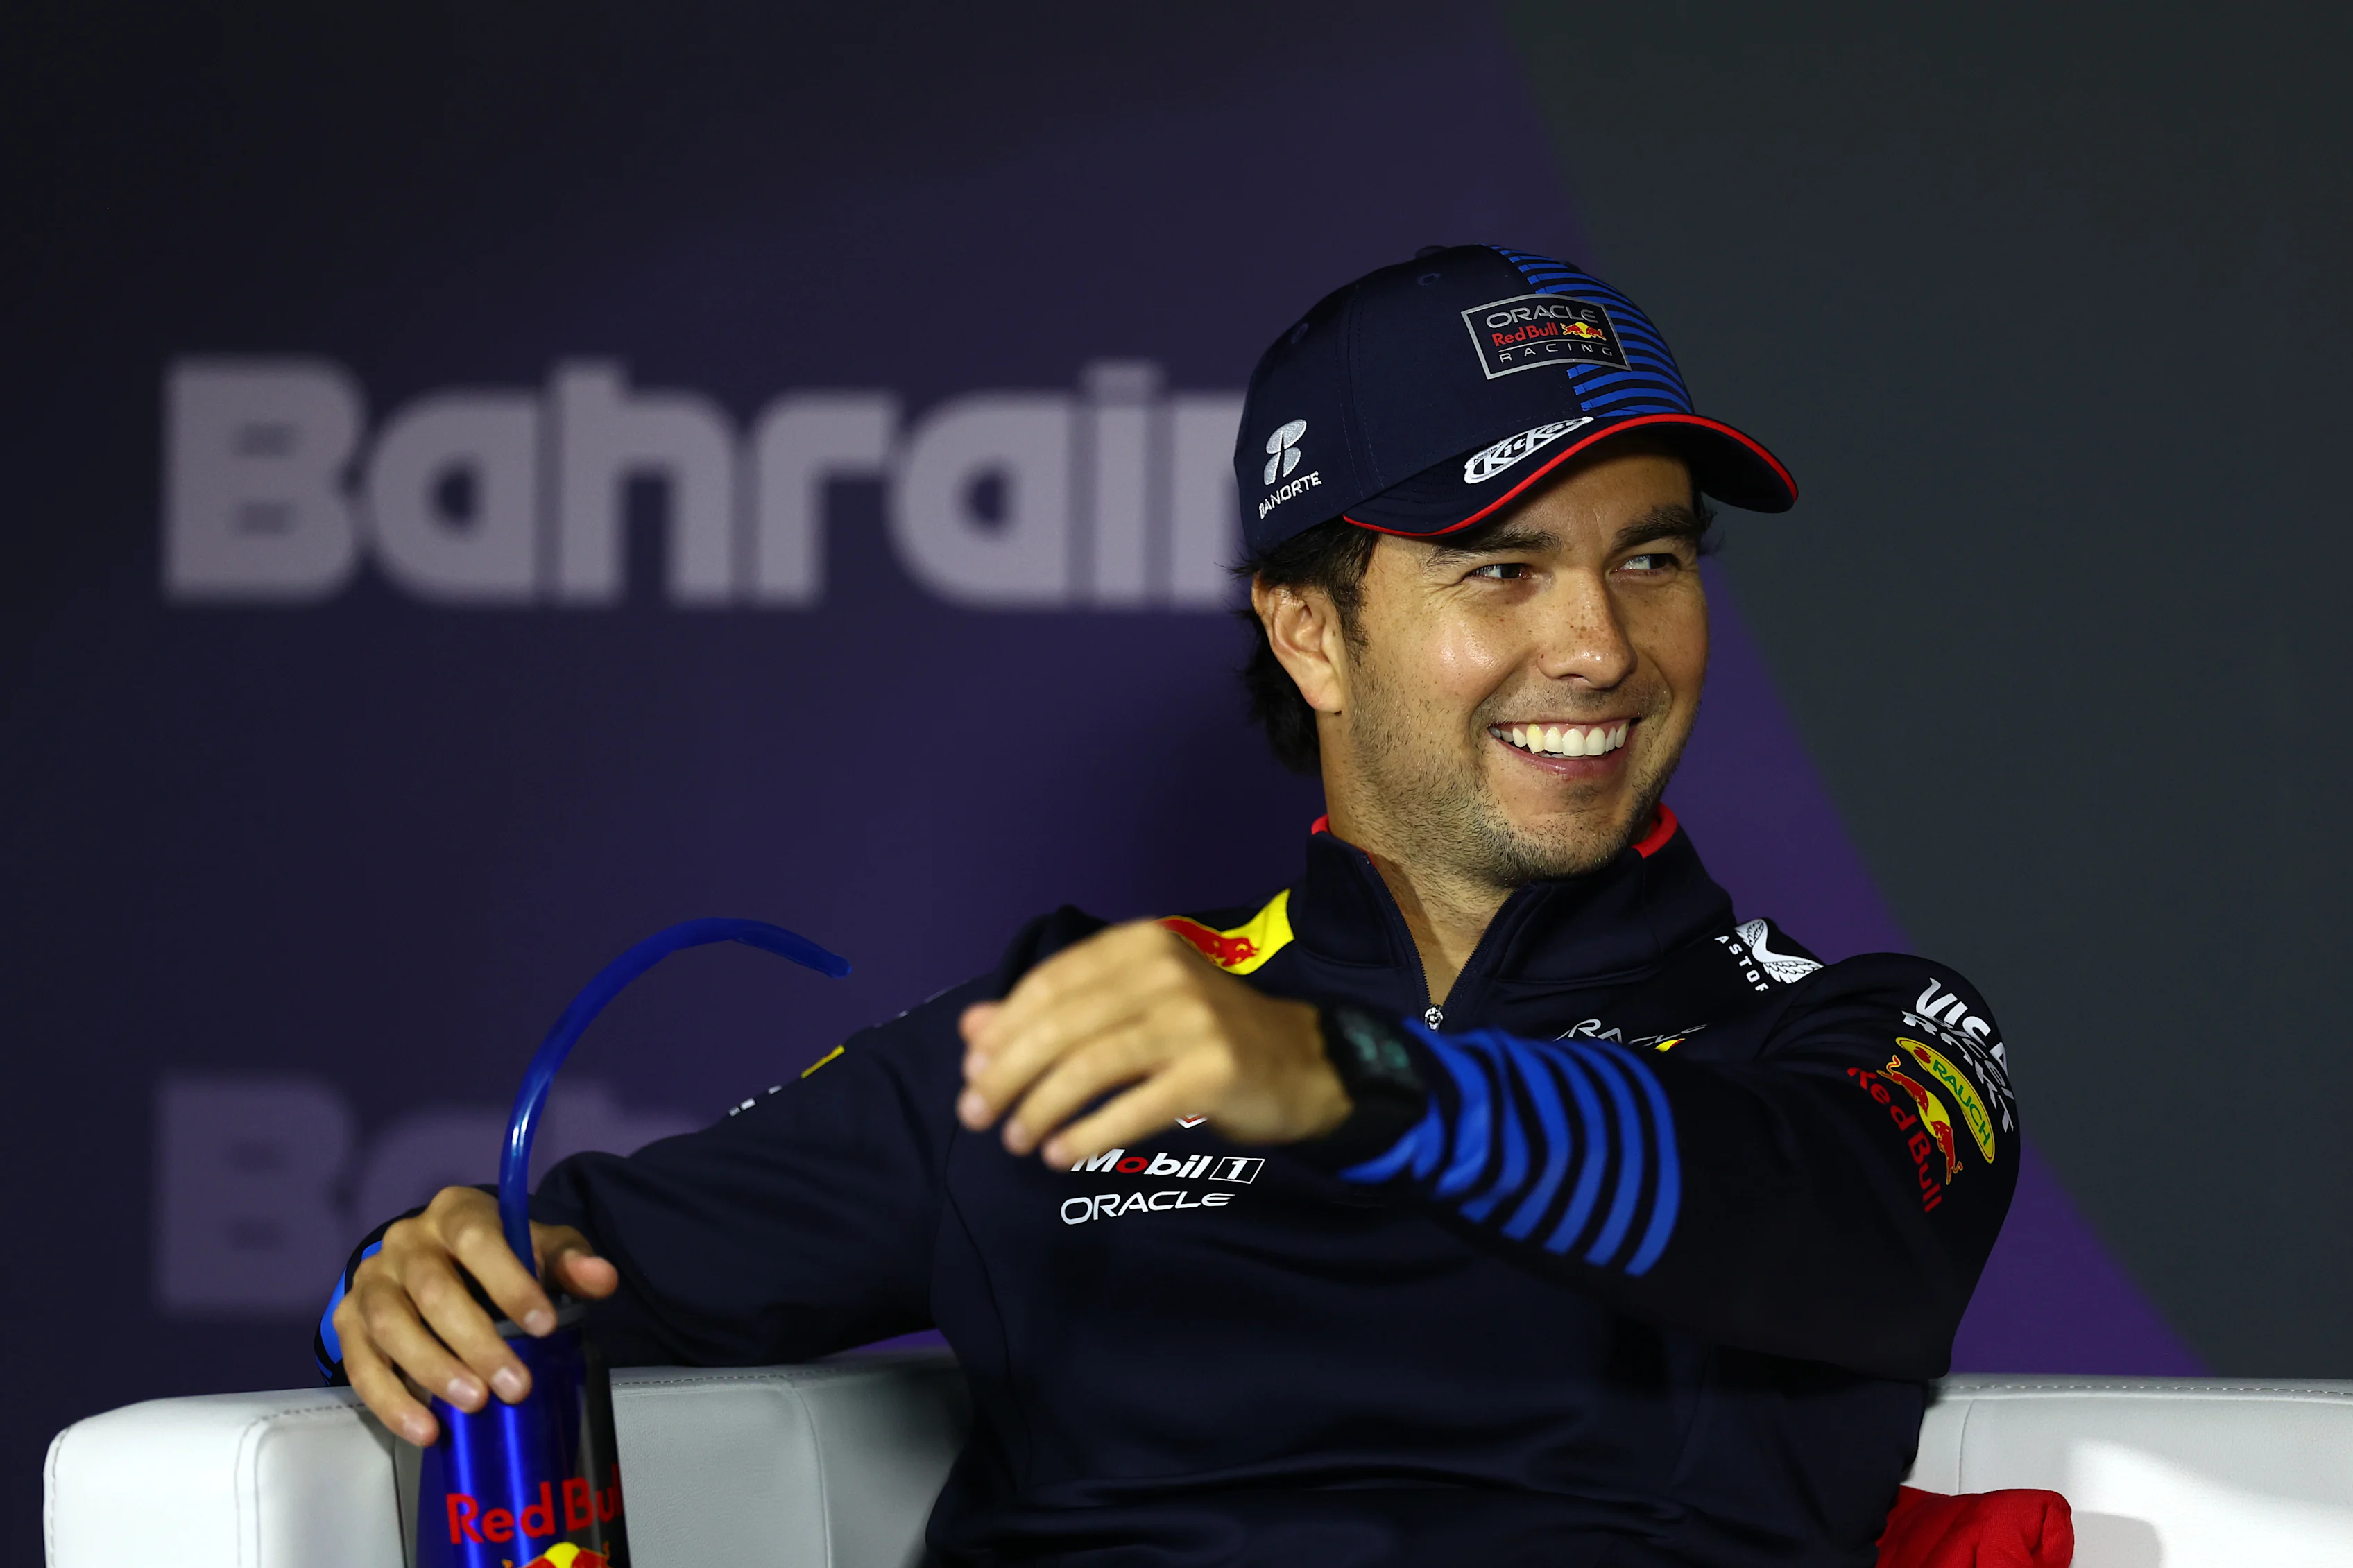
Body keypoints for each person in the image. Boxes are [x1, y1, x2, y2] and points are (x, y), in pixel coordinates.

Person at [319, 245, 2019, 1567]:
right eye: (1500, 566)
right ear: (1309, 629)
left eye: (1650, 556)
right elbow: (570, 1267)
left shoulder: (1862, 1035)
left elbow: (1814, 1221)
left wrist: (1356, 1086)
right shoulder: (1069, 1041)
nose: (1598, 642)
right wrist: (424, 1275)